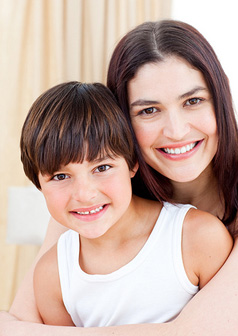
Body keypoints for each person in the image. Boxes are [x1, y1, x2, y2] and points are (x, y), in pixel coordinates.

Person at [1, 19, 238, 335]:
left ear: (220, 98)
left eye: (193, 101)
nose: (177, 130)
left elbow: (199, 330)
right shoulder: (95, 197)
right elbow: (18, 322)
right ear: (122, 122)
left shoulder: (200, 235)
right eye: (148, 111)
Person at [20, 80, 232, 327]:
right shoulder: (52, 274)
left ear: (133, 163)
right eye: (60, 176)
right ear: (38, 182)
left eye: (102, 167)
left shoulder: (197, 237)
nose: (84, 194)